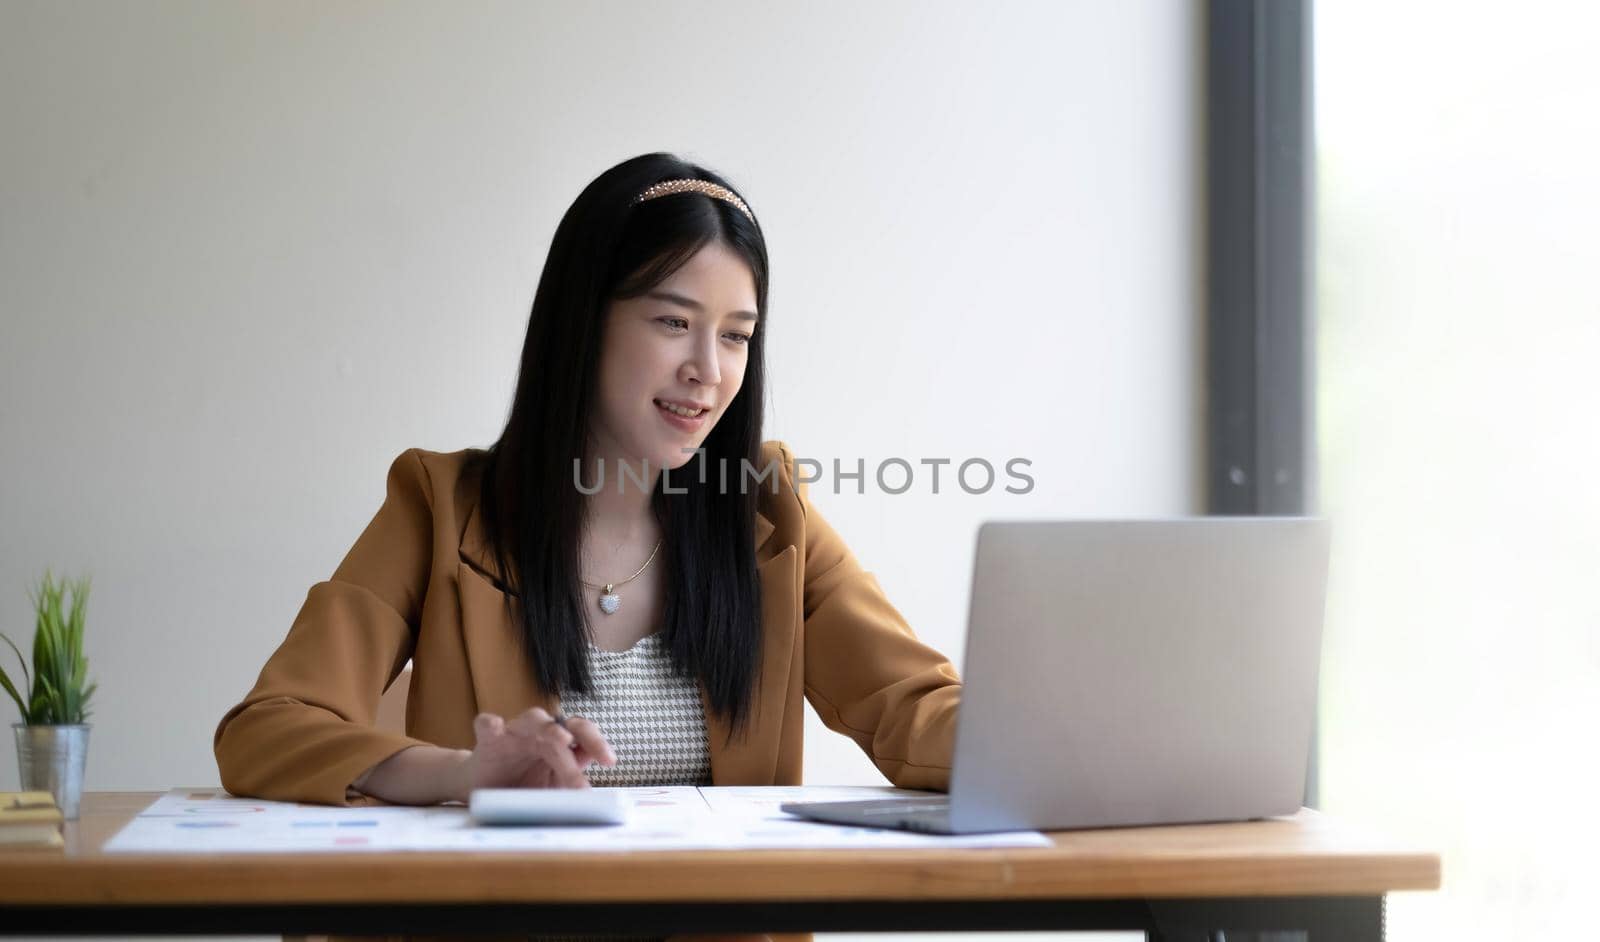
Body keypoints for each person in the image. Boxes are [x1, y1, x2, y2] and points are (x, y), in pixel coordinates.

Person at [214, 152, 962, 813]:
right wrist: (461, 772)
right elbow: (267, 728)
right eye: (673, 322)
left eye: (736, 334)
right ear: (584, 321)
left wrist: (1059, 735)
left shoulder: (767, 512)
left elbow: (914, 708)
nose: (709, 367)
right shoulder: (437, 508)